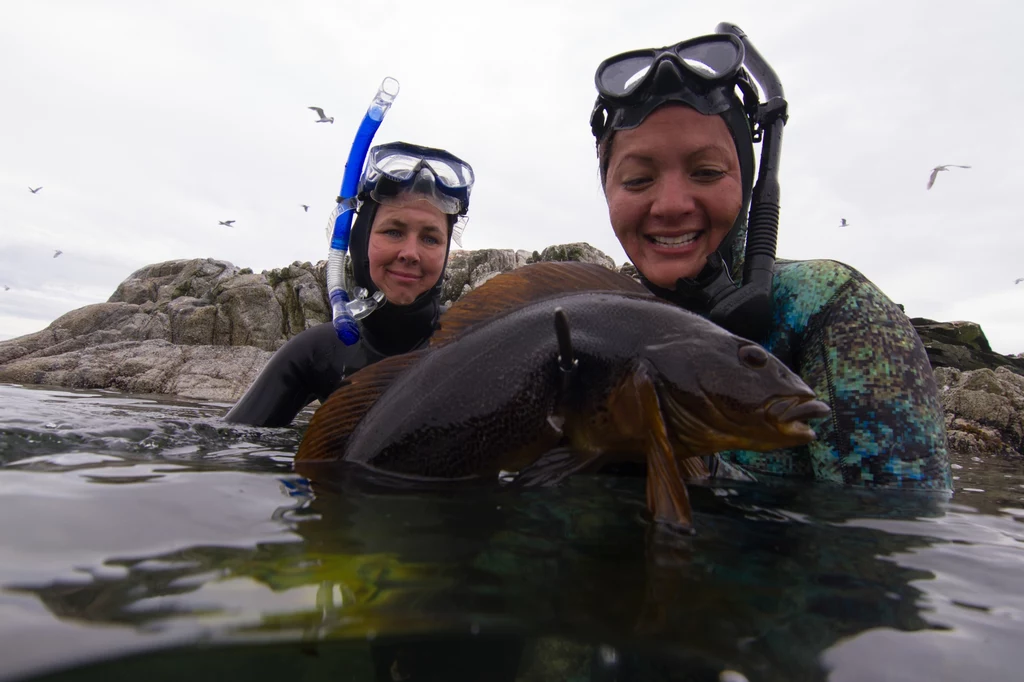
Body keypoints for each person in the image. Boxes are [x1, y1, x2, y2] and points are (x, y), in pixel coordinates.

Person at [589, 25, 951, 489]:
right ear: (608, 194)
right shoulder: (588, 328)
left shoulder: (833, 309)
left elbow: (891, 541)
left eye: (706, 171)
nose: (672, 204)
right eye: (638, 180)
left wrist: (697, 471)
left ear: (748, 182)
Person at [225, 141, 475, 427]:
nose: (410, 253)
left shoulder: (477, 343)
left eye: (430, 238)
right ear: (359, 240)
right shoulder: (318, 352)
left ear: (445, 252)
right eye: (393, 231)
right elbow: (226, 447)